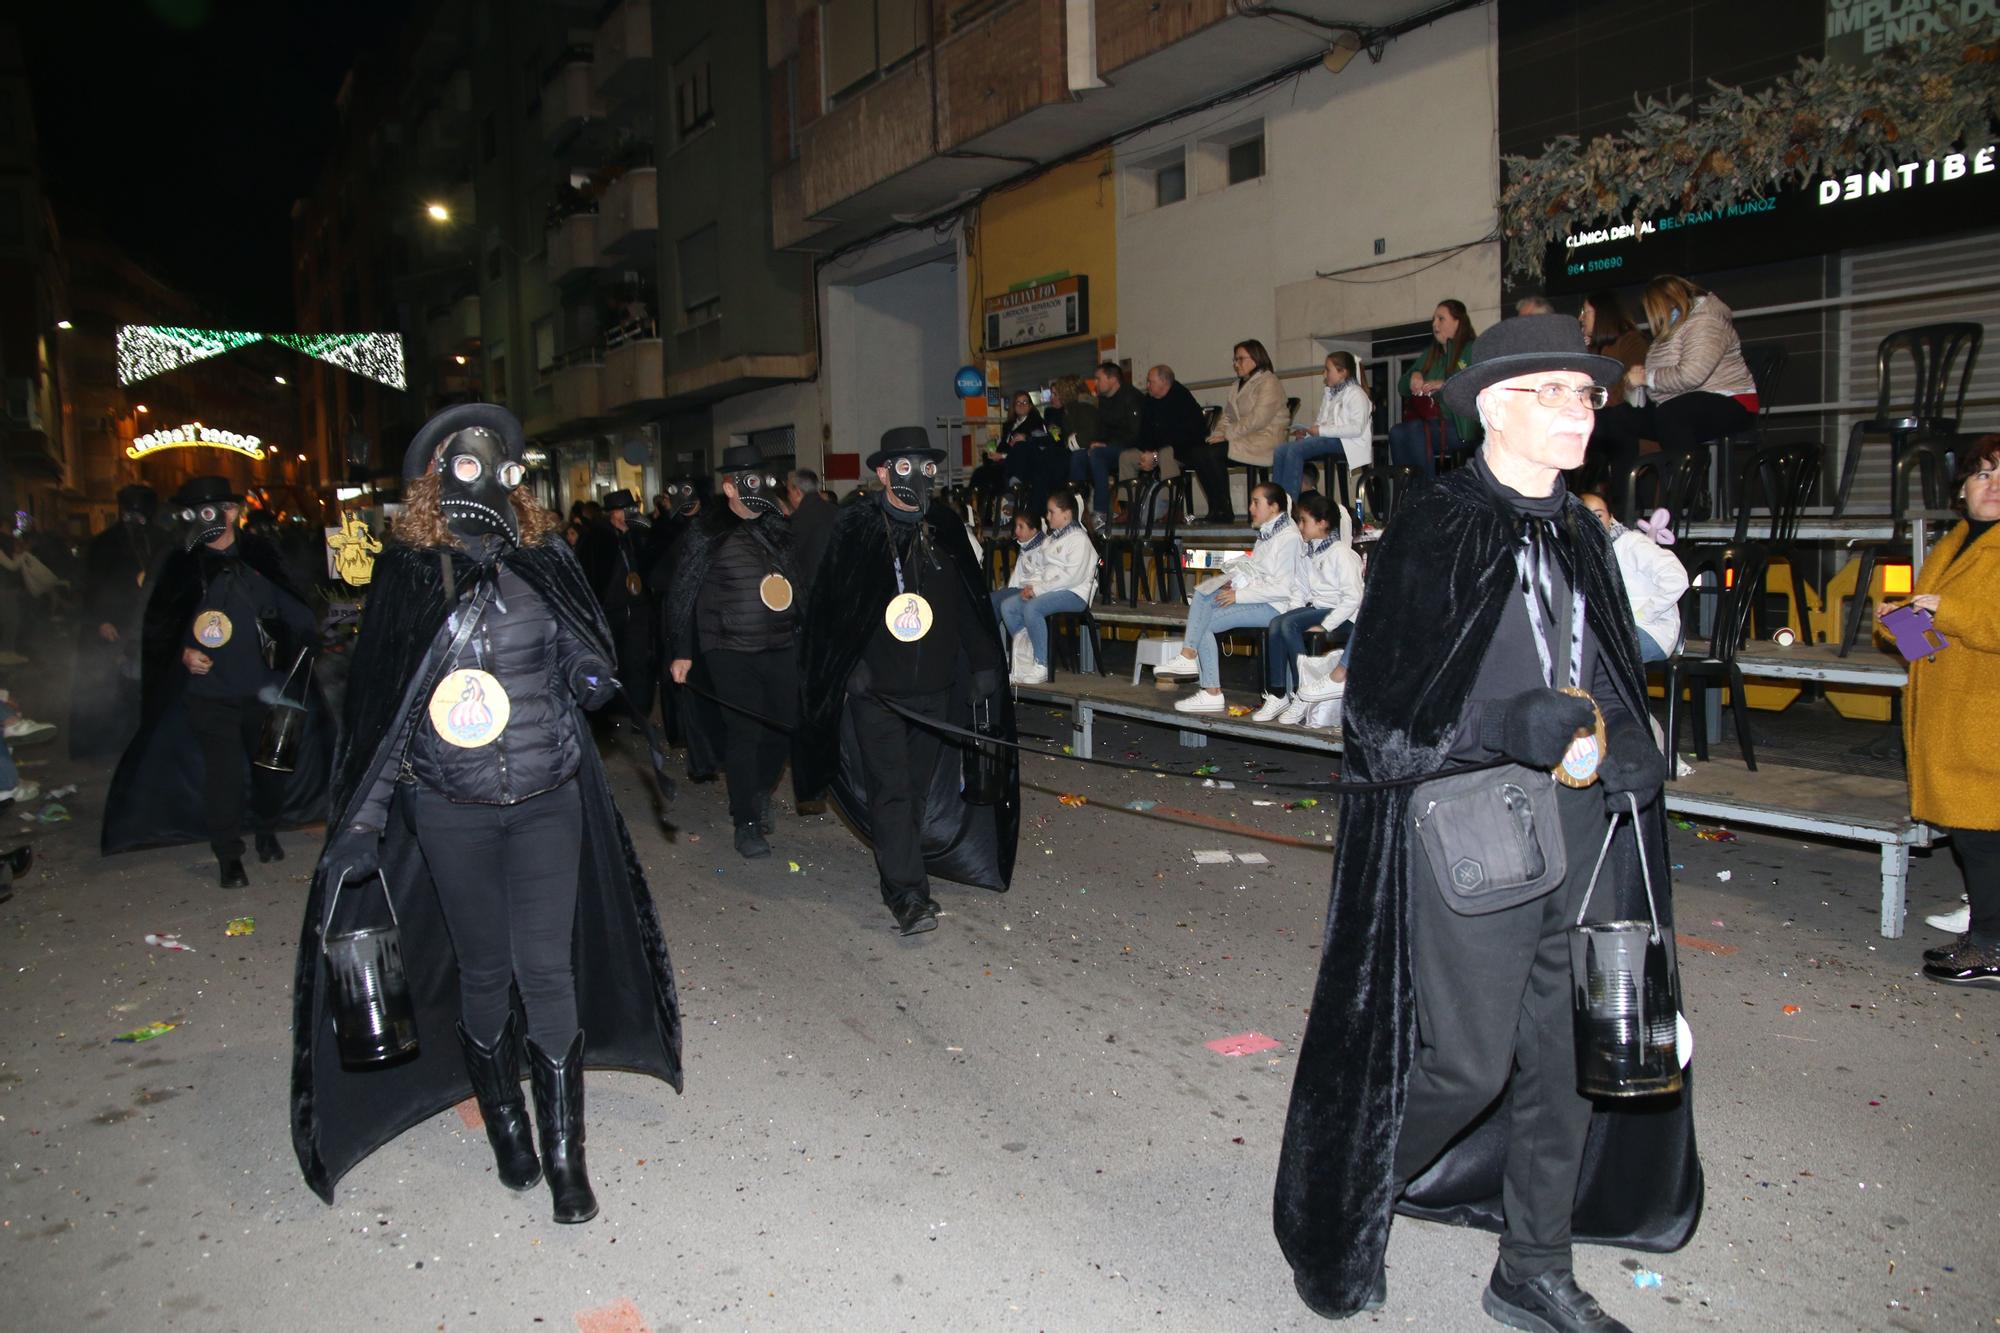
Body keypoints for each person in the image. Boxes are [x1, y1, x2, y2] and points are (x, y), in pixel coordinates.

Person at [1275, 314, 1700, 1330]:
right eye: (1555, 390)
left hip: (1581, 825)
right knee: (1463, 1065)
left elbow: (1598, 667)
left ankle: (1531, 1266)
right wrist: (1500, 722)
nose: (1579, 410)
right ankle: (1341, 1204)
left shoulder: (1579, 531)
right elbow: (1378, 721)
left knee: (1567, 1062)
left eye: (1586, 393)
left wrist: (1630, 741)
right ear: (1496, 406)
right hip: (1469, 830)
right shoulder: (1436, 523)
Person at [293, 403, 682, 1223]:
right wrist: (361, 822)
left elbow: (579, 641)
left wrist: (588, 673)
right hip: (451, 804)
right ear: (436, 478)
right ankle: (509, 1123)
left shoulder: (542, 555)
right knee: (486, 970)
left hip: (546, 795)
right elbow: (386, 712)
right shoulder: (407, 575)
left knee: (546, 968)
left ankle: (567, 1155)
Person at [796, 427, 1017, 937]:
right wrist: (849, 666)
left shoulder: (944, 525)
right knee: (891, 792)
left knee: (916, 791)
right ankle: (907, 894)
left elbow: (968, 601)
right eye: (905, 465)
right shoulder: (856, 525)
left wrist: (984, 663)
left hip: (936, 690)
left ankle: (901, 869)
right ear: (882, 472)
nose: (919, 475)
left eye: (926, 465)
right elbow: (829, 606)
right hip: (878, 694)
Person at [101, 476, 329, 887]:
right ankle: (228, 855)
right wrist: (182, 653)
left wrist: (299, 640)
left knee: (269, 774)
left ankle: (265, 829)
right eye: (199, 508)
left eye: (218, 507)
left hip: (267, 689)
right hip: (211, 694)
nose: (210, 516)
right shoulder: (181, 561)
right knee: (222, 775)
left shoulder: (262, 554)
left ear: (234, 511)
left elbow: (297, 611)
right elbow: (161, 627)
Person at [1896, 436, 2000, 986]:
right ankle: (1986, 935)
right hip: (1951, 713)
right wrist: (1903, 623)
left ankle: (1991, 946)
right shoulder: (1954, 543)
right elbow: (1927, 642)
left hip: (1987, 718)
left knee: (1984, 839)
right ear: (1962, 489)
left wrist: (1946, 609)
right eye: (1983, 475)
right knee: (1974, 837)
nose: (1994, 485)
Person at [667, 444, 802, 859]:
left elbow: (801, 581)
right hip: (728, 647)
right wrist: (682, 650)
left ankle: (758, 790)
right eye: (744, 479)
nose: (754, 486)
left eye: (759, 477)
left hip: (781, 644)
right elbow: (683, 593)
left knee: (784, 727)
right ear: (729, 487)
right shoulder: (706, 530)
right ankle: (745, 820)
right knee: (745, 732)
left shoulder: (777, 525)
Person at [1587, 275, 1758, 503]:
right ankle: (1621, 503)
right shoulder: (1669, 331)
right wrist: (1635, 388)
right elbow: (1660, 384)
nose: (1652, 316)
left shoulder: (1707, 321)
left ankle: (1687, 498)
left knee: (1675, 414)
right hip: (1680, 402)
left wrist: (1645, 378)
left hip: (1733, 401)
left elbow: (1692, 375)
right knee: (1620, 417)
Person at [1155, 481, 1301, 714]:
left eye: (1256, 502)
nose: (1251, 508)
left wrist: (1238, 595)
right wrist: (1234, 580)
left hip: (1276, 606)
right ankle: (1189, 656)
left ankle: (1210, 690)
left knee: (1206, 624)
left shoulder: (1289, 537)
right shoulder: (1268, 532)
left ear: (1273, 507)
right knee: (1204, 593)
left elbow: (1283, 589)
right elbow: (1257, 570)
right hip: (1257, 597)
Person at [70, 485, 165, 759]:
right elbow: (92, 584)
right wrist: (101, 619)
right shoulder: (105, 543)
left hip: (151, 624)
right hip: (114, 624)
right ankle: (110, 746)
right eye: (129, 510)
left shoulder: (162, 541)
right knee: (108, 686)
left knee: (146, 686)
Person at [1253, 491, 1361, 725]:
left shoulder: (1342, 554)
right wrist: (1290, 613)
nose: (1299, 526)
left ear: (1322, 523)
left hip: (1343, 614)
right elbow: (1299, 590)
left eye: (1304, 521)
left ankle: (1304, 692)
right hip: (1320, 608)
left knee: (1288, 624)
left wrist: (1325, 625)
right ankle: (1278, 693)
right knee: (1278, 623)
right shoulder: (1308, 550)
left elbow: (1353, 598)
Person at [991, 487, 1096, 686]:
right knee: (1009, 606)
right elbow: (1042, 570)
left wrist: (1038, 590)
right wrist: (1031, 586)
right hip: (1051, 590)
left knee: (1033, 607)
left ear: (1066, 514)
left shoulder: (1079, 539)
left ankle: (1041, 664)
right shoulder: (1052, 539)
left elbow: (1071, 577)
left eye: (1051, 512)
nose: (1047, 517)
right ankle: (1025, 659)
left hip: (1074, 593)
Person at [577, 489, 658, 726]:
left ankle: (638, 715)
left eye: (629, 510)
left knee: (639, 664)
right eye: (621, 511)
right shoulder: (596, 539)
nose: (626, 515)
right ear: (611, 514)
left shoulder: (638, 535)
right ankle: (612, 711)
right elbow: (587, 575)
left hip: (639, 610)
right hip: (609, 613)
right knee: (613, 663)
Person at [1580, 491, 1687, 663]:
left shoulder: (1631, 544)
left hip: (1651, 631)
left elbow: (1676, 578)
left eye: (1598, 515)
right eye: (1584, 517)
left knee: (1594, 655)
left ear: (1610, 517)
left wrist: (1642, 614)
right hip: (1614, 631)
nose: (1593, 522)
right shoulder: (1585, 556)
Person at [1387, 299, 1478, 478]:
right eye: (1434, 319)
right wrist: (1414, 376)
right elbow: (1402, 387)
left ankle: (1428, 492)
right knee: (1396, 433)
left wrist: (1443, 385)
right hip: (1431, 423)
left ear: (1457, 321)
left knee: (1415, 431)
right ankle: (1407, 491)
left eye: (1440, 319)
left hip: (1462, 426)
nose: (1434, 324)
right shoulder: (1431, 353)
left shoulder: (1472, 349)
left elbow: (1474, 383)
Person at [1271, 353, 1373, 506]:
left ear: (1342, 372)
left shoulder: (1356, 394)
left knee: (1294, 451)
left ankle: (1289, 507)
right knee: (1281, 450)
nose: (1324, 374)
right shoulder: (1331, 394)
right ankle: (1276, 503)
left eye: (1327, 370)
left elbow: (1356, 428)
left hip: (1348, 442)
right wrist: (1307, 434)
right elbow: (1321, 423)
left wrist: (1320, 431)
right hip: (1330, 439)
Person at [1143, 364, 1230, 523]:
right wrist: (1147, 452)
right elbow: (1145, 431)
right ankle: (1129, 509)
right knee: (1128, 457)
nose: (1147, 385)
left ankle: (1173, 509)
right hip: (1157, 452)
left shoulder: (1181, 398)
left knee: (1166, 455)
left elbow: (1191, 434)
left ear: (1164, 382)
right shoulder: (1149, 401)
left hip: (1182, 452)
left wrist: (1155, 453)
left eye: (1150, 382)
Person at [1069, 363, 1144, 523]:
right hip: (1111, 446)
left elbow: (1135, 433)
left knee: (1097, 454)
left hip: (1130, 447)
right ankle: (1079, 510)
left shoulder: (1131, 397)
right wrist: (1096, 442)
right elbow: (1102, 430)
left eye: (1098, 378)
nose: (1095, 382)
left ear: (1112, 379)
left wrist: (1106, 445)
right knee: (1079, 456)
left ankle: (1101, 511)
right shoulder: (1103, 400)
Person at [1207, 340, 1289, 483]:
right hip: (1242, 438)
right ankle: (1220, 503)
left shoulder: (1269, 381)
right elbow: (1227, 417)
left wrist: (1227, 436)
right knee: (1203, 453)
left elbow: (1258, 418)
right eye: (1235, 359)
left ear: (1256, 359)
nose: (1236, 364)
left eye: (1240, 359)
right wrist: (1218, 435)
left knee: (1212, 454)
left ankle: (1222, 505)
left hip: (1264, 440)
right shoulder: (1236, 385)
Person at [785, 467, 836, 585]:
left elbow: (789, 559)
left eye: (788, 492)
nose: (788, 497)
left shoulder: (798, 520)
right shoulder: (837, 511)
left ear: (797, 492)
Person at [1579, 289, 1648, 372]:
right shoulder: (1591, 347)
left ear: (1601, 314)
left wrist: (1627, 381)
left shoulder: (1631, 342)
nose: (1580, 318)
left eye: (1585, 312)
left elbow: (1637, 380)